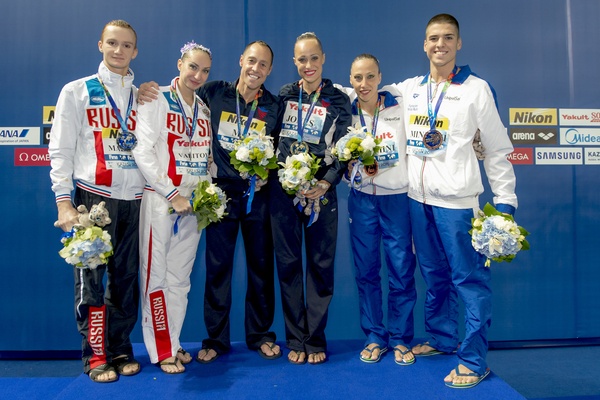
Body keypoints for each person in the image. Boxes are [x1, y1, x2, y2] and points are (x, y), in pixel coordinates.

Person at [394, 14, 518, 388]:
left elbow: (497, 150)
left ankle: (474, 359)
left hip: (459, 205)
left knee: (470, 280)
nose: (440, 45)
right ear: (424, 44)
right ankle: (442, 338)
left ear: (459, 43)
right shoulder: (410, 89)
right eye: (433, 38)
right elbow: (364, 92)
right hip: (418, 201)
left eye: (448, 38)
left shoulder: (477, 89)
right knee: (434, 277)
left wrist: (505, 204)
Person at [138, 40, 283, 362]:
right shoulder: (213, 93)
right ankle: (216, 340)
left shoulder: (274, 104)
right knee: (218, 270)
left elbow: (280, 149)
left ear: (270, 70)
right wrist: (143, 91)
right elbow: (179, 99)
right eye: (251, 61)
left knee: (260, 268)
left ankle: (260, 335)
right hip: (217, 195)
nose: (256, 69)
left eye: (263, 65)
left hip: (257, 196)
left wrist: (267, 173)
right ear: (241, 61)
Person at [49, 20, 144, 383]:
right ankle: (95, 354)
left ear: (135, 51)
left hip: (134, 200)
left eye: (127, 45)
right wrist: (64, 202)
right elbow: (60, 149)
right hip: (92, 199)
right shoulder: (76, 91)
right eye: (112, 43)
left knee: (126, 280)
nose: (119, 51)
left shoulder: (143, 96)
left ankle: (120, 348)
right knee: (90, 280)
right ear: (100, 45)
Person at [271, 32, 351, 365]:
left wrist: (327, 182)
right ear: (294, 62)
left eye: (313, 58)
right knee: (288, 267)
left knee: (320, 267)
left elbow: (346, 148)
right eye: (301, 59)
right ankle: (295, 339)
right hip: (285, 193)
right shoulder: (285, 95)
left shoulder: (338, 99)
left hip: (322, 195)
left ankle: (315, 339)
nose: (308, 65)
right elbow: (270, 139)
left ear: (323, 58)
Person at [132, 41, 212, 374]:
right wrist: (170, 194)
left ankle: (174, 342)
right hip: (161, 200)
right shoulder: (156, 98)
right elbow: (142, 151)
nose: (198, 75)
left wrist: (207, 194)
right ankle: (161, 349)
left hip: (193, 206)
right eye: (193, 66)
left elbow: (205, 158)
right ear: (180, 63)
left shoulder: (204, 109)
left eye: (205, 70)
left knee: (180, 280)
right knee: (156, 277)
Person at [340, 54, 417, 366]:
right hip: (361, 200)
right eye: (358, 78)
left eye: (370, 77)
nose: (364, 84)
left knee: (401, 269)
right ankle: (375, 336)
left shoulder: (399, 99)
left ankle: (400, 338)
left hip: (397, 199)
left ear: (380, 77)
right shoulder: (345, 105)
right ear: (350, 79)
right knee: (367, 270)